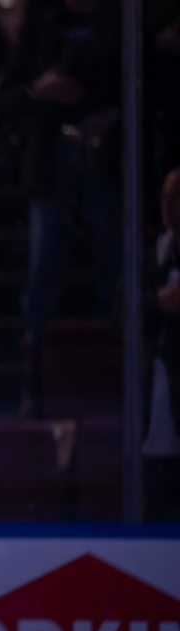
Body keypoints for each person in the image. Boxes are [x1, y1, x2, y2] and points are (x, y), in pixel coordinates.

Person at [0, 0, 123, 413]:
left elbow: (141, 81)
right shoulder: (42, 19)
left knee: (115, 273)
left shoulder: (117, 18)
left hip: (108, 159)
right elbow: (7, 96)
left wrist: (113, 117)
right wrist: (39, 91)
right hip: (51, 160)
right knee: (43, 280)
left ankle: (116, 379)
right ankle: (37, 385)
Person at [142, 166, 180, 522]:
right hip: (158, 373)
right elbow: (127, 309)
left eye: (177, 198)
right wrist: (159, 301)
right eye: (166, 197)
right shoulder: (153, 254)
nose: (169, 205)